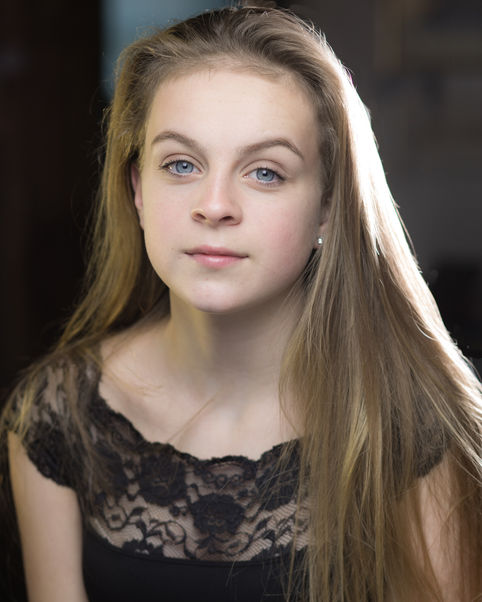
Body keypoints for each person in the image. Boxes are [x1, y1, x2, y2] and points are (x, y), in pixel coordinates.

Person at [1, 4, 481, 601]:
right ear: (138, 191)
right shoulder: (56, 417)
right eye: (181, 164)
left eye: (265, 173)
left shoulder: (415, 426)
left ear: (327, 208)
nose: (215, 206)